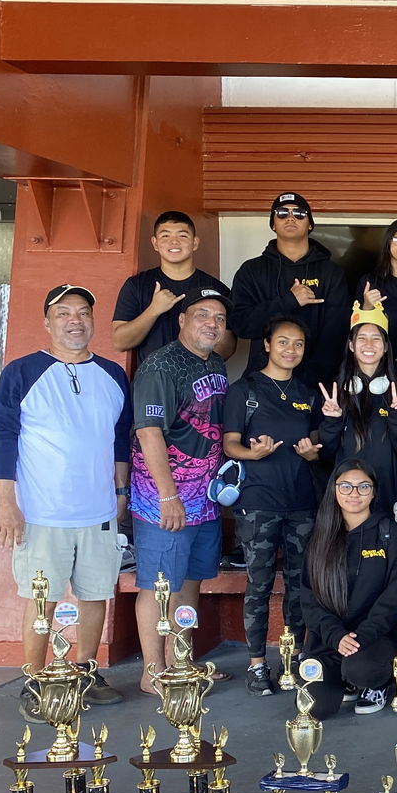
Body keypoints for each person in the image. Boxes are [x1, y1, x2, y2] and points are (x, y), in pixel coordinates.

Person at [0, 283, 130, 711]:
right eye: (64, 313)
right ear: (47, 321)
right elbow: (1, 433)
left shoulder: (112, 374)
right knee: (41, 598)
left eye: (83, 312)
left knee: (94, 594)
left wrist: (121, 491)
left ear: (92, 320)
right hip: (41, 512)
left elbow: (121, 438)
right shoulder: (23, 371)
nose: (75, 320)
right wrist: (7, 502)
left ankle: (85, 671)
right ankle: (35, 679)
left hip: (98, 510)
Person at [128, 287, 231, 694]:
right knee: (157, 585)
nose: (212, 323)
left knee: (189, 581)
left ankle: (180, 660)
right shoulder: (161, 366)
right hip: (163, 500)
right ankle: (153, 671)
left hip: (204, 499)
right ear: (182, 320)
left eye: (219, 318)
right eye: (202, 314)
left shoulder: (218, 363)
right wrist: (168, 495)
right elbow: (149, 432)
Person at [221, 315, 322, 697]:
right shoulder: (244, 390)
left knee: (299, 584)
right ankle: (257, 664)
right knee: (259, 584)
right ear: (266, 344)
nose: (290, 350)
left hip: (300, 501)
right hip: (258, 501)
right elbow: (230, 444)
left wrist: (312, 454)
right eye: (283, 342)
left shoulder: (308, 393)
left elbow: (312, 443)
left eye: (297, 344)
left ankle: (292, 660)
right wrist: (252, 452)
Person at [298, 460, 397, 718]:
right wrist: (335, 635)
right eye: (345, 486)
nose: (354, 493)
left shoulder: (390, 533)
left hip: (374, 638)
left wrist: (361, 637)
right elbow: (308, 597)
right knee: (314, 708)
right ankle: (343, 678)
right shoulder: (319, 536)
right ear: (334, 490)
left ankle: (375, 683)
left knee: (361, 668)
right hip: (329, 640)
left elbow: (395, 594)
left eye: (363, 487)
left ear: (374, 492)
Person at [230, 191, 351, 388]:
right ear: (272, 224)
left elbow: (337, 334)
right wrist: (289, 301)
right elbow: (241, 324)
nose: (291, 217)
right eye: (282, 213)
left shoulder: (331, 273)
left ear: (310, 224)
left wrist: (314, 381)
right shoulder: (251, 270)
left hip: (317, 385)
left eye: (300, 213)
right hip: (262, 384)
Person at [317, 304, 397, 524]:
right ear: (351, 345)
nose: (369, 345)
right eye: (362, 338)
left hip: (388, 490)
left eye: (376, 338)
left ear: (386, 346)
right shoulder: (336, 391)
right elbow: (326, 455)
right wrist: (332, 421)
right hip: (348, 494)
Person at [112, 211, 234, 366]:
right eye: (165, 236)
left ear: (195, 243)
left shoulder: (216, 289)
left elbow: (228, 346)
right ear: (155, 243)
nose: (174, 242)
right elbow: (120, 342)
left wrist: (192, 370)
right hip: (152, 382)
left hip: (199, 383)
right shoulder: (136, 285)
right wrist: (154, 310)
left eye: (182, 236)